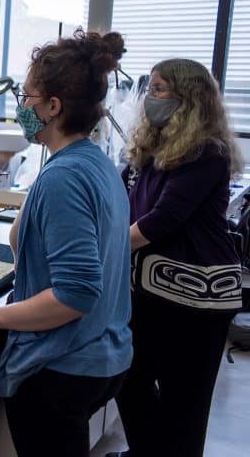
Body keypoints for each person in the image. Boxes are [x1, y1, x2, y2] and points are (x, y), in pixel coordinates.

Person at [0, 28, 133, 457]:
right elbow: (31, 242)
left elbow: (77, 293)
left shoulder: (64, 177)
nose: (21, 109)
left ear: (54, 106)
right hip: (104, 354)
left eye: (27, 98)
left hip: (63, 365)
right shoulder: (94, 164)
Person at [110, 59, 244, 457]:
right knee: (126, 376)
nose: (149, 97)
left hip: (197, 299)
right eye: (149, 88)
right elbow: (123, 201)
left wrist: (103, 249)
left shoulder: (207, 153)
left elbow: (161, 221)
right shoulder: (151, 148)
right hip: (151, 290)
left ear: (190, 98)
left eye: (159, 89)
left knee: (185, 404)